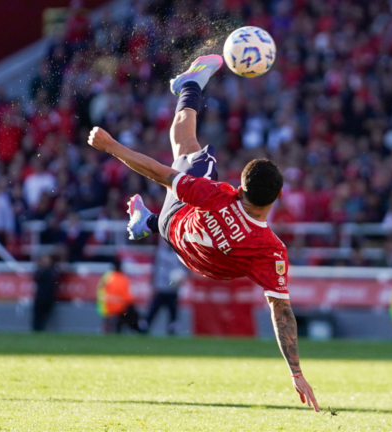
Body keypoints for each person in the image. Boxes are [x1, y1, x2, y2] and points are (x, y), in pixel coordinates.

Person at [86, 55, 318, 411]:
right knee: (187, 157)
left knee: (189, 151)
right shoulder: (271, 251)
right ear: (278, 196)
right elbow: (281, 312)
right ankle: (145, 222)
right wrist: (296, 373)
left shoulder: (219, 195)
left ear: (241, 187)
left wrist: (111, 146)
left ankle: (190, 85)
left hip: (175, 225)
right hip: (192, 258)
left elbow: (158, 172)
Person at [144, 238, 187, 335]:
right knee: (153, 310)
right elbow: (155, 269)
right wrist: (153, 284)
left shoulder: (178, 254)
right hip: (160, 288)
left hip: (172, 289)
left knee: (173, 312)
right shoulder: (160, 252)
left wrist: (181, 278)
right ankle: (145, 326)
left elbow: (184, 270)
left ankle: (172, 328)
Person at [97, 258, 142, 334]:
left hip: (104, 309)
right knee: (131, 312)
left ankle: (111, 327)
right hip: (118, 309)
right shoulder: (123, 278)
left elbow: (99, 292)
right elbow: (129, 299)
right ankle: (138, 330)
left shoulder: (106, 277)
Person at [32, 254, 61, 332]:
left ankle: (42, 329)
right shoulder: (40, 271)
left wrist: (55, 288)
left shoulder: (53, 271)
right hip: (40, 296)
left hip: (49, 296)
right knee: (38, 315)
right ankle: (36, 329)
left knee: (46, 315)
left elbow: (56, 281)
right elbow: (35, 279)